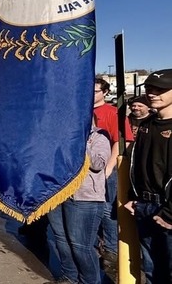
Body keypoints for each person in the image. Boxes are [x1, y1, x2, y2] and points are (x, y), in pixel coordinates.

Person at [46, 116, 110, 284]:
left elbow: (97, 164)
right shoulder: (60, 136)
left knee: (81, 246)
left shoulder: (99, 137)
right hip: (58, 194)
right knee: (61, 239)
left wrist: (80, 141)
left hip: (85, 199)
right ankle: (69, 277)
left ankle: (89, 281)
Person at [125, 69, 172, 284]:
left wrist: (169, 213)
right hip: (144, 205)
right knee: (152, 268)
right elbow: (137, 164)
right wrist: (132, 196)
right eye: (150, 88)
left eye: (161, 89)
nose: (153, 93)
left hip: (167, 210)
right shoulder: (146, 125)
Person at [92, 77, 133, 276]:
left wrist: (108, 169)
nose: (91, 95)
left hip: (107, 168)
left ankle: (110, 248)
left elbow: (121, 142)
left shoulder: (113, 113)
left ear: (105, 93)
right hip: (85, 171)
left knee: (108, 209)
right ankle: (93, 241)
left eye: (96, 91)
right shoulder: (81, 110)